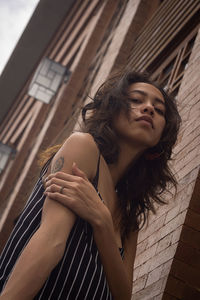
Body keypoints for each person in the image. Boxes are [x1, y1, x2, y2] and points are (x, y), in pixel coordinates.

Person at [0, 71, 181, 299]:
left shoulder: (129, 216)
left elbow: (123, 295)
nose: (149, 108)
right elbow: (51, 242)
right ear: (112, 109)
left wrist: (103, 222)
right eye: (136, 100)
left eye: (160, 109)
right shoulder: (83, 147)